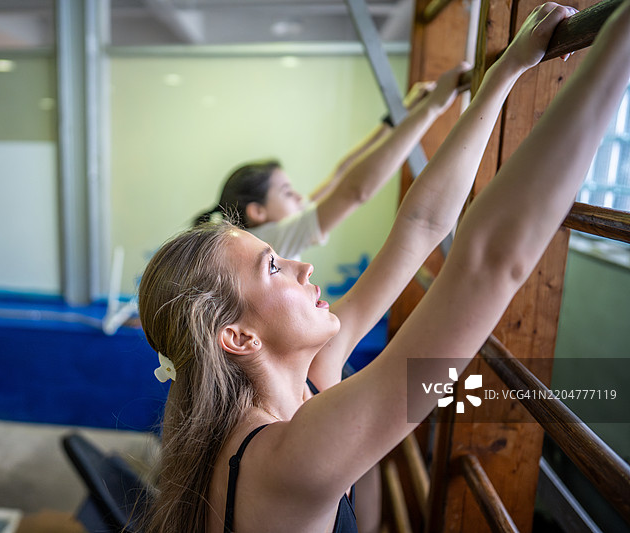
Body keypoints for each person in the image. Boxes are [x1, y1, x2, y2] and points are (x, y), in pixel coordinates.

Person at [137, 2, 630, 532]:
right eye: (274, 267)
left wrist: (505, 73)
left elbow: (421, 225)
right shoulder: (289, 457)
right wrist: (618, 42)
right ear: (238, 337)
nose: (304, 268)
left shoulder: (310, 380)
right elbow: (488, 263)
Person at [192, 69, 467, 260]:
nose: (300, 196)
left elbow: (340, 175)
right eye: (287, 192)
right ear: (258, 212)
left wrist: (400, 115)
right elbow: (354, 190)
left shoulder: (256, 235)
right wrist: (432, 109)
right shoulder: (271, 239)